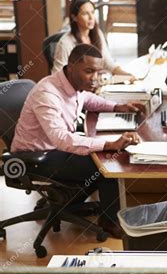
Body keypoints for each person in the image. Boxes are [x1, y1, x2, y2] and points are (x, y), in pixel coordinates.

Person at [12, 44, 145, 238]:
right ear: (71, 66)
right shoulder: (47, 93)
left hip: (53, 149)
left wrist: (119, 106)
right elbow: (61, 139)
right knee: (107, 162)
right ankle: (109, 222)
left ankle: (68, 201)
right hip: (35, 157)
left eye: (98, 72)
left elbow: (89, 100)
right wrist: (110, 144)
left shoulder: (75, 85)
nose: (94, 78)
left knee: (99, 155)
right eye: (89, 71)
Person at [52, 0, 135, 82]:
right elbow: (57, 76)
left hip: (97, 84)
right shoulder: (65, 43)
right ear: (74, 17)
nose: (91, 17)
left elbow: (108, 63)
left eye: (92, 12)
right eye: (85, 14)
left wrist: (128, 75)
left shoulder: (97, 34)